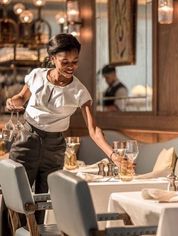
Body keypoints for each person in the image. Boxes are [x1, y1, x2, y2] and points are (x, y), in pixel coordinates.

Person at [5, 33, 119, 224]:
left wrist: (113, 155)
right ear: (52, 59)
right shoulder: (37, 75)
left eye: (75, 62)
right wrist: (12, 101)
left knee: (43, 199)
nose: (71, 67)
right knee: (14, 195)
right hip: (27, 139)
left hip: (55, 146)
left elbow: (93, 130)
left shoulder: (79, 91)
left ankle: (37, 233)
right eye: (65, 61)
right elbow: (21, 97)